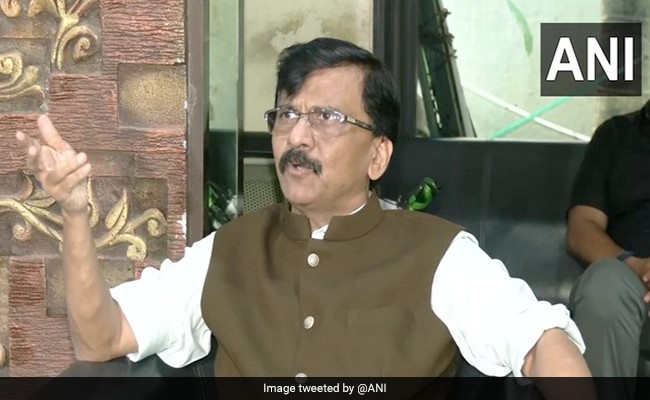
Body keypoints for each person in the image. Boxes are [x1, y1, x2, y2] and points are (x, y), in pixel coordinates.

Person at [16, 38, 589, 380]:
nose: (297, 136)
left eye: (326, 118)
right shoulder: (229, 251)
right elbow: (103, 337)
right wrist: (74, 213)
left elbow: (541, 342)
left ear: (378, 155)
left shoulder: (439, 255)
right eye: (286, 115)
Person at [567, 100, 650, 392]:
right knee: (604, 284)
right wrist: (635, 265)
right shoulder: (616, 135)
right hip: (631, 277)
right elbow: (581, 227)